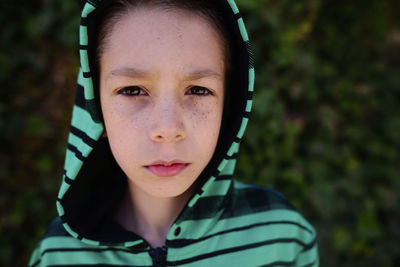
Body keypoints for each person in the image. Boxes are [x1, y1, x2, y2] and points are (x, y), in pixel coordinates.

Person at [29, 0, 319, 266]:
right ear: (95, 108)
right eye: (132, 90)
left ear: (228, 107)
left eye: (198, 90)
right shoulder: (57, 255)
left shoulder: (283, 236)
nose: (168, 129)